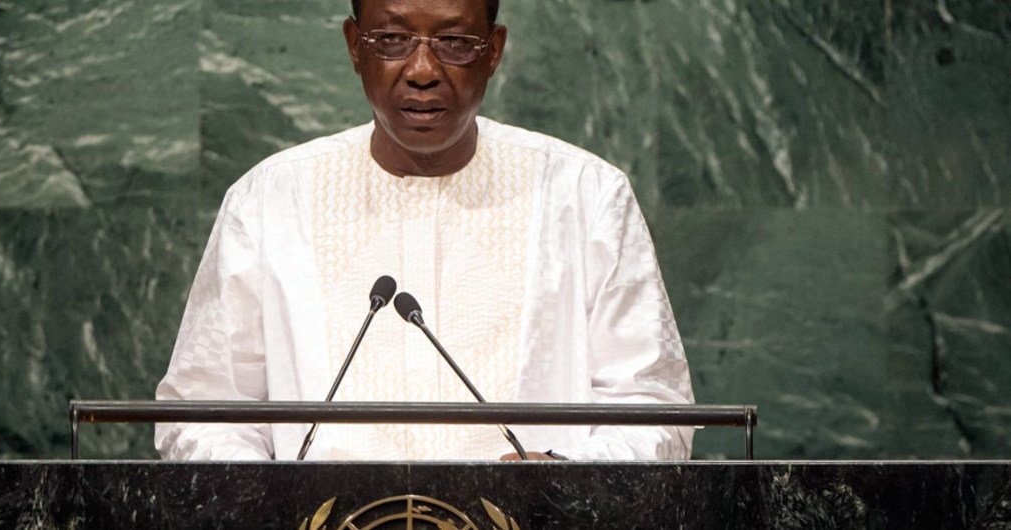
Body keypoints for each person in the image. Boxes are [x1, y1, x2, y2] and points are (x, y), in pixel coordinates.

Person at [155, 0, 694, 461]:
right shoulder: (269, 201)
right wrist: (275, 498)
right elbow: (203, 413)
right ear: (353, 45)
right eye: (390, 39)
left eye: (455, 42)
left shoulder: (585, 196)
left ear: (495, 50)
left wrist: (564, 473)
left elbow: (654, 408)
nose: (421, 70)